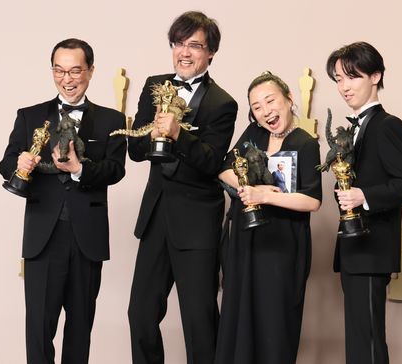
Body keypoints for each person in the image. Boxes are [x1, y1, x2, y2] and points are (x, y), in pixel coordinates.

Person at [0, 38, 127, 363]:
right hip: (44, 237)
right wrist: (20, 164)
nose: (67, 79)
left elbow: (115, 170)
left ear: (91, 71)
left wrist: (81, 169)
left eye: (75, 71)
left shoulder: (112, 120)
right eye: (59, 71)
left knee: (80, 330)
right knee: (39, 330)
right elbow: (7, 162)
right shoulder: (29, 116)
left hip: (88, 238)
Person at [126, 11, 237, 364]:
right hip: (157, 217)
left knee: (199, 322)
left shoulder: (223, 103)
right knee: (140, 314)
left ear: (211, 53)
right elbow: (135, 149)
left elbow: (211, 162)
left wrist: (178, 134)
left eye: (194, 45)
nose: (184, 52)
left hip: (197, 224)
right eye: (178, 44)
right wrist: (155, 137)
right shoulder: (153, 84)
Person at [216, 71, 322, 364]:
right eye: (257, 106)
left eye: (270, 101)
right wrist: (247, 187)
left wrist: (266, 196)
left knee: (275, 324)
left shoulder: (305, 143)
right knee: (238, 318)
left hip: (281, 246)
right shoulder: (254, 135)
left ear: (289, 100)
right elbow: (224, 169)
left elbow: (313, 200)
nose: (265, 111)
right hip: (244, 242)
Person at [326, 42, 402, 364]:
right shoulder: (352, 129)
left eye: (352, 77)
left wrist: (364, 196)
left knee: (367, 342)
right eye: (338, 78)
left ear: (376, 76)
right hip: (354, 248)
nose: (344, 86)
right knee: (358, 340)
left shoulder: (386, 125)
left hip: (371, 249)